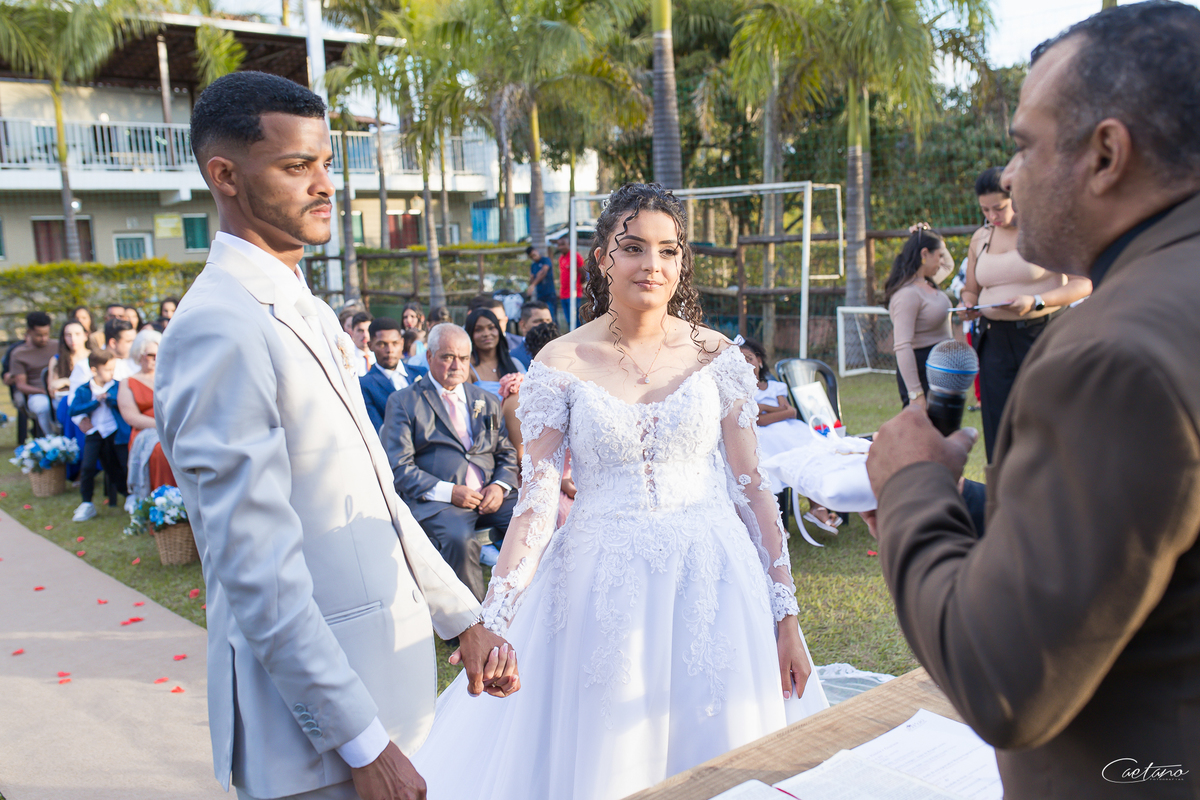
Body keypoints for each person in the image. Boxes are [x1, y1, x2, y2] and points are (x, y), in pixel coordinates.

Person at [865, 5, 1200, 797]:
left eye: (1024, 145)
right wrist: (976, 507)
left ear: (1106, 154)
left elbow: (1003, 678)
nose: (1009, 177)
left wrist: (912, 488)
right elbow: (1151, 531)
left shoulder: (1112, 354)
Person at [155, 71, 517, 800]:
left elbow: (378, 495)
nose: (325, 186)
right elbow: (256, 570)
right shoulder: (218, 327)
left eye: (325, 163)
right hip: (318, 745)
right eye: (297, 166)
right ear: (225, 175)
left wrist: (461, 619)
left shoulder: (308, 307)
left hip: (391, 691)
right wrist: (360, 740)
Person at [411, 183, 828, 800]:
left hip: (715, 581)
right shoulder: (560, 362)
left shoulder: (719, 358)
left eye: (667, 250)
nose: (651, 264)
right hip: (600, 586)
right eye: (633, 247)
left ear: (682, 262)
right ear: (602, 257)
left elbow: (753, 491)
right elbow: (536, 503)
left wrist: (785, 617)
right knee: (610, 756)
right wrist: (495, 616)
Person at [380, 323, 520, 601]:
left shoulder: (485, 400)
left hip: (491, 494)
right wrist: (450, 492)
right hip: (439, 501)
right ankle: (473, 618)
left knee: (530, 520)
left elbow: (504, 451)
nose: (457, 365)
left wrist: (500, 486)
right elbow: (400, 467)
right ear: (429, 356)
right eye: (448, 357)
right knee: (459, 540)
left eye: (464, 358)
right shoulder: (404, 402)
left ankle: (524, 606)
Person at [961, 166, 1092, 460]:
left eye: (999, 208)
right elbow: (971, 290)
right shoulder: (981, 238)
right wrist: (968, 306)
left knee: (1049, 417)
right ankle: (1003, 483)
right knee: (998, 424)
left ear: (1018, 197)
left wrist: (1035, 301)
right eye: (985, 210)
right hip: (994, 340)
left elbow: (1083, 284)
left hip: (1042, 335)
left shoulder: (1048, 230)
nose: (992, 216)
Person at [738, 337, 845, 534]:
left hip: (790, 428)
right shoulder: (741, 391)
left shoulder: (774, 387)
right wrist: (776, 410)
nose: (746, 364)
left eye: (749, 358)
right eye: (740, 361)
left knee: (809, 450)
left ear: (759, 361)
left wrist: (764, 408)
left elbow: (792, 412)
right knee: (771, 454)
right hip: (764, 434)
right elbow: (759, 420)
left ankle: (817, 506)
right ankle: (775, 518)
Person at [884, 225, 955, 407]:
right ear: (924, 254)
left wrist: (932, 235)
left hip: (941, 367)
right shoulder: (908, 294)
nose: (941, 261)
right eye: (939, 255)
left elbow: (948, 265)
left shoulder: (927, 282)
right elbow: (902, 345)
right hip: (923, 370)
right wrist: (916, 393)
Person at [68, 350, 130, 521]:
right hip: (95, 433)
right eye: (107, 370)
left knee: (120, 466)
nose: (111, 373)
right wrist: (94, 403)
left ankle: (130, 495)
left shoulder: (117, 386)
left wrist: (109, 399)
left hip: (116, 432)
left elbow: (125, 403)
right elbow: (73, 409)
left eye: (113, 369)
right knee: (87, 467)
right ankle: (86, 502)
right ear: (94, 370)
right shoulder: (84, 390)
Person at [116, 329, 175, 502]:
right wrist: (161, 426)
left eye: (158, 354)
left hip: (173, 425)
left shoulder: (170, 377)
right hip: (147, 430)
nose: (156, 358)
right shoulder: (128, 382)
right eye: (150, 355)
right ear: (139, 354)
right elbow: (131, 417)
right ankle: (163, 502)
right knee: (161, 450)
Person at [360, 317, 428, 432]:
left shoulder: (422, 372)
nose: (390, 350)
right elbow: (379, 430)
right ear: (370, 346)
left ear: (402, 343)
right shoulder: (364, 385)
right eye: (382, 344)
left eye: (395, 343)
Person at [7, 311, 57, 437]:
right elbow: (21, 385)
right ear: (29, 332)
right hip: (36, 394)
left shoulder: (57, 346)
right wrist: (43, 391)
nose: (43, 338)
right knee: (44, 407)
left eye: (46, 334)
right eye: (39, 335)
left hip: (58, 390)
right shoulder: (19, 354)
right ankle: (50, 439)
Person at [465, 307, 524, 397]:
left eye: (491, 328)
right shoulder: (467, 369)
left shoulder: (515, 363)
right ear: (470, 334)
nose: (486, 334)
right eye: (478, 329)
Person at [508, 301, 553, 369]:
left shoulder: (560, 350)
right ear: (523, 325)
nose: (545, 325)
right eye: (538, 321)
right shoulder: (514, 357)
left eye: (548, 320)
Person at [556, 237, 585, 329]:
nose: (561, 247)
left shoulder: (575, 256)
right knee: (568, 320)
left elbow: (583, 273)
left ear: (568, 244)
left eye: (563, 244)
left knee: (576, 320)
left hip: (573, 294)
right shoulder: (561, 258)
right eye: (559, 245)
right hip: (563, 294)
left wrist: (578, 286)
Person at [523, 245, 557, 312]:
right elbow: (532, 278)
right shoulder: (533, 265)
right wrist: (531, 284)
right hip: (540, 295)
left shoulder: (546, 260)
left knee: (551, 314)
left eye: (534, 255)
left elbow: (543, 273)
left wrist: (533, 284)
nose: (534, 258)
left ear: (536, 251)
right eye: (531, 257)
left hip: (549, 294)